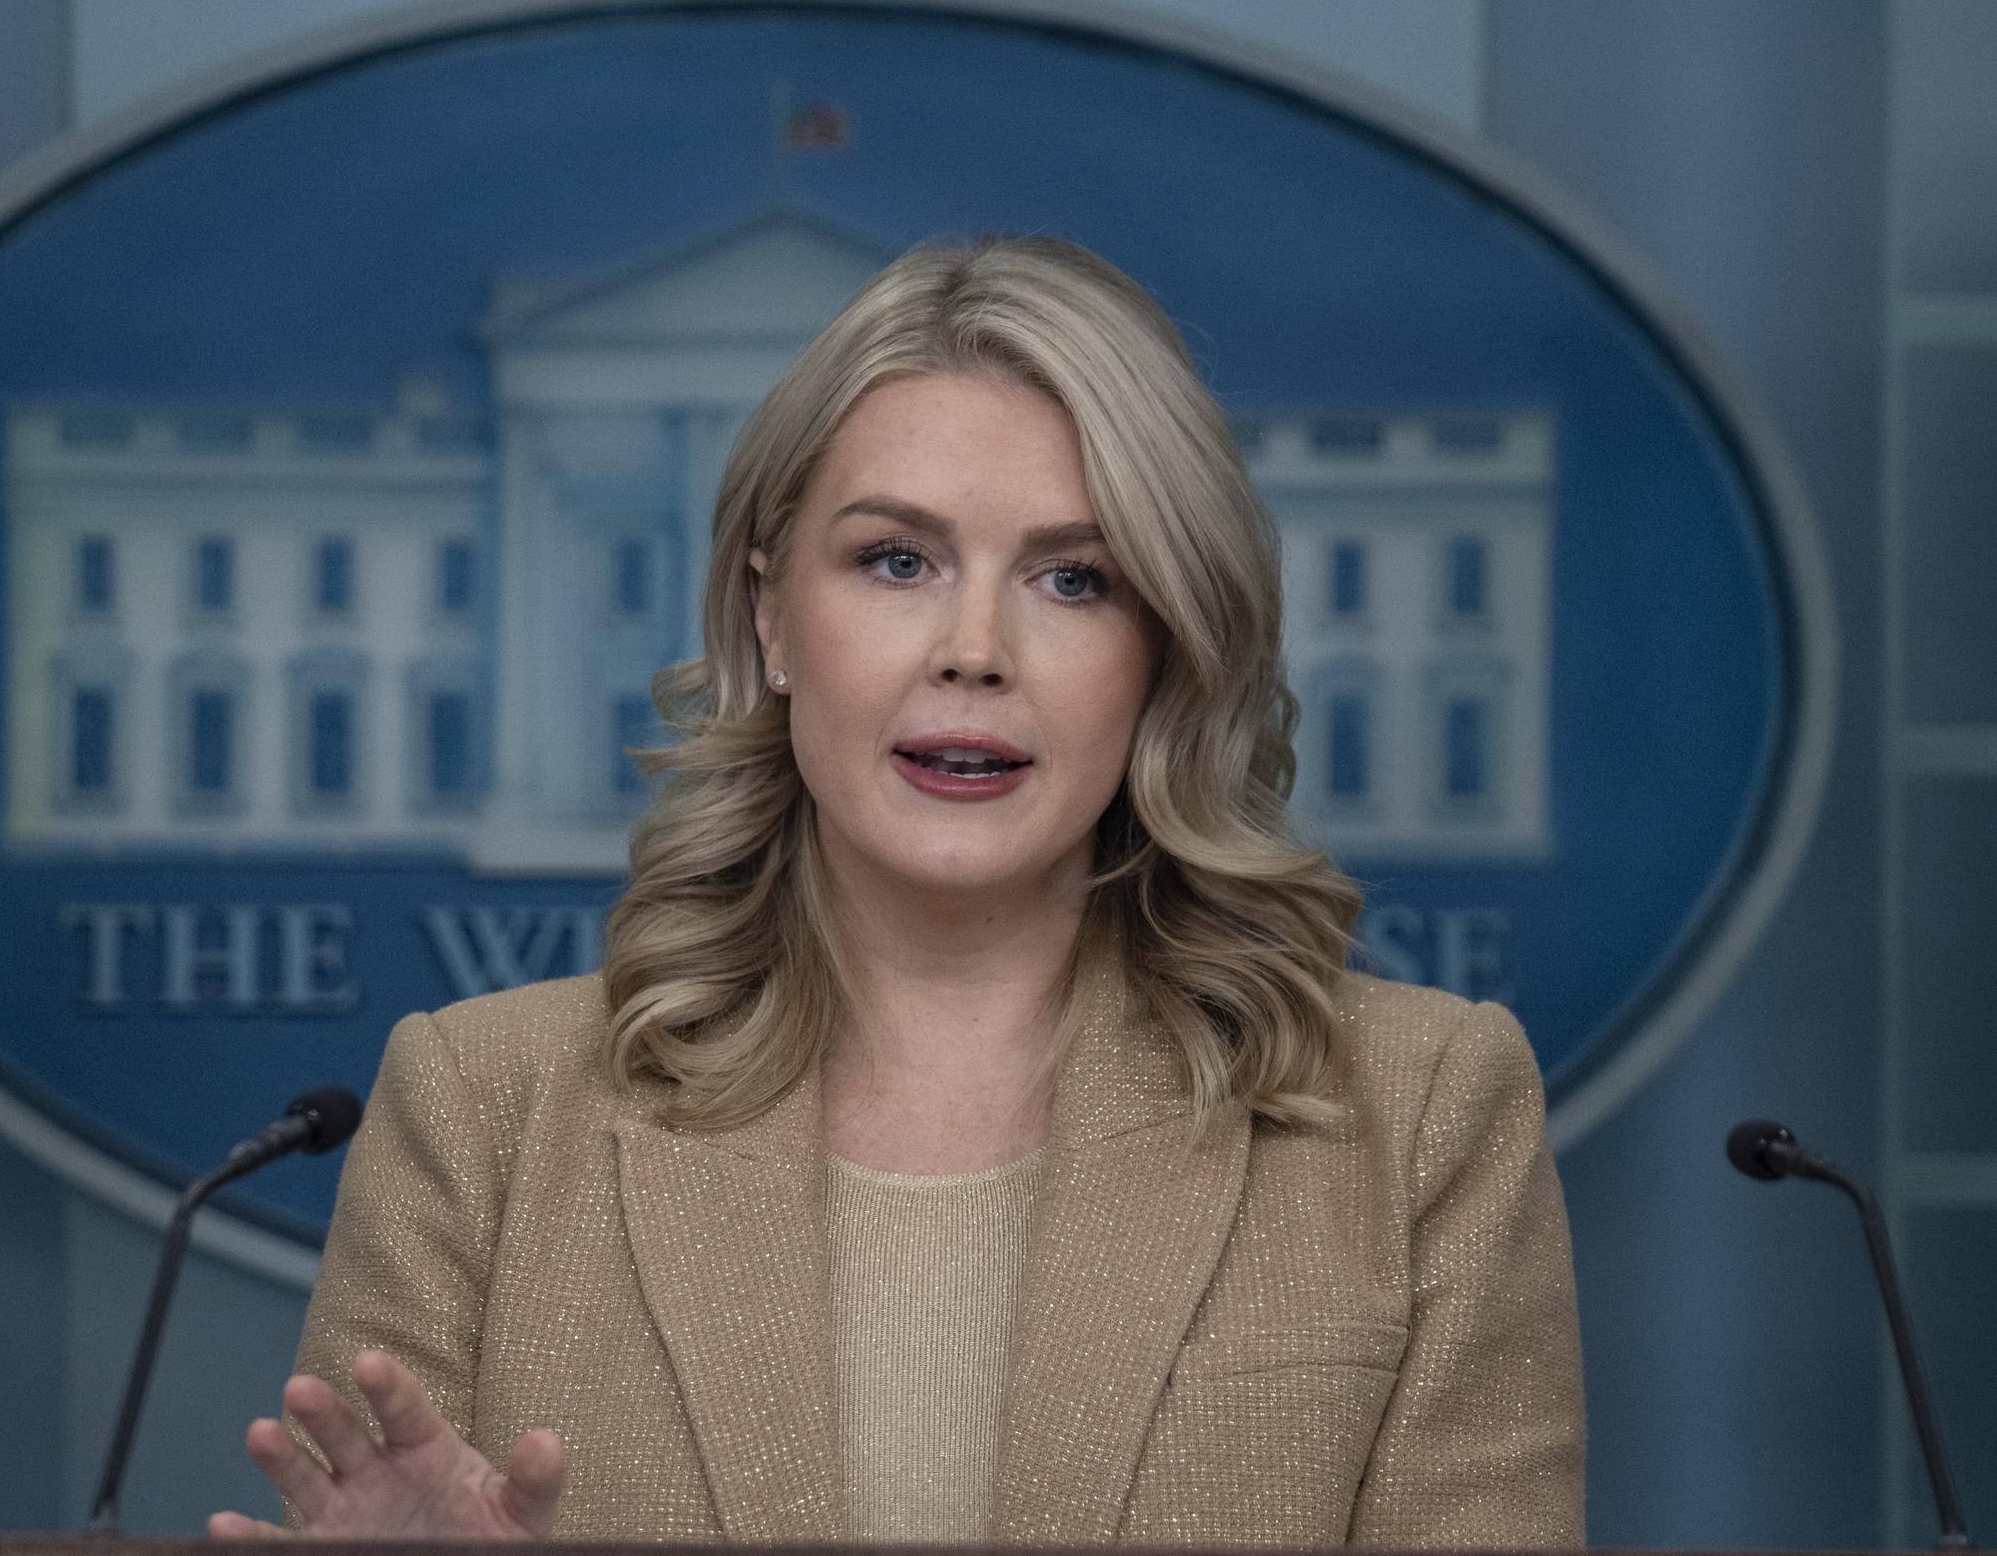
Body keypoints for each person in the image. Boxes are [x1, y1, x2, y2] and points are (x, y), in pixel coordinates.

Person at [207, 235, 1586, 1546]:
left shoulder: (1424, 1117)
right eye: (897, 561)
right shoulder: (482, 1112)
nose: (974, 650)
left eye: (1074, 578)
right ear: (771, 618)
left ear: (1167, 648)